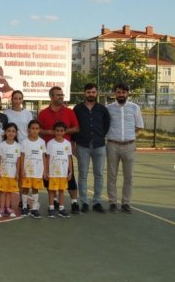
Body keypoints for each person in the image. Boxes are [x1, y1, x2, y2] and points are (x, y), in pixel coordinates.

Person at [37, 86, 80, 212]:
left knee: (69, 177)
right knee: (50, 177)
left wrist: (61, 132)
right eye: (58, 95)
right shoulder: (43, 113)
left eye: (62, 94)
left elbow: (76, 128)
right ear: (51, 97)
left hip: (64, 151)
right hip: (49, 151)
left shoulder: (69, 112)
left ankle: (74, 202)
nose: (61, 97)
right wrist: (49, 131)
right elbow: (38, 129)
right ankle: (54, 201)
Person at [106, 82, 144, 214]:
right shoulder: (109, 108)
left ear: (128, 93)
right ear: (115, 93)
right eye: (118, 92)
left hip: (129, 146)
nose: (121, 94)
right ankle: (112, 202)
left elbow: (139, 126)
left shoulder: (135, 108)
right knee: (112, 176)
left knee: (129, 176)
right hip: (112, 145)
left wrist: (128, 135)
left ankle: (126, 202)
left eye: (123, 92)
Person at [73, 83, 110, 213]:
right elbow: (74, 126)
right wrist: (74, 144)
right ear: (84, 93)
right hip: (83, 145)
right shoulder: (78, 109)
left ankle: (97, 202)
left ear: (97, 93)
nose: (91, 94)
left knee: (99, 174)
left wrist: (99, 136)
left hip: (99, 145)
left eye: (93, 92)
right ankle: (84, 202)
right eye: (88, 92)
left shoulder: (102, 109)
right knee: (83, 175)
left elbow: (106, 126)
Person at [20, 120, 47, 218]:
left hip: (38, 171)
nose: (34, 131)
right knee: (25, 189)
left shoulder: (42, 142)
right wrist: (22, 169)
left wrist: (45, 171)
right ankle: (24, 207)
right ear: (28, 130)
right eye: (32, 128)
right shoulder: (24, 142)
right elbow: (22, 156)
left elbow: (44, 157)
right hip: (27, 171)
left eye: (37, 129)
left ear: (39, 130)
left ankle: (34, 208)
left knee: (35, 189)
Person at [45, 122, 72, 218]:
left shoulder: (67, 144)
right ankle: (51, 208)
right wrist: (46, 171)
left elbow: (69, 158)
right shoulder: (50, 143)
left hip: (63, 173)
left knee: (61, 191)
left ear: (64, 132)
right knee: (52, 191)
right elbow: (47, 158)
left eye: (61, 131)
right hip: (53, 173)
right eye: (57, 131)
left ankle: (61, 208)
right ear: (53, 131)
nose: (59, 133)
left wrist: (70, 171)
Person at [0, 123, 21, 218]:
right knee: (2, 191)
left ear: (16, 134)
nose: (11, 133)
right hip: (3, 173)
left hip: (12, 173)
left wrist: (17, 173)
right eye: (9, 131)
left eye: (13, 131)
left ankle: (7, 208)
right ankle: (1, 208)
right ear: (5, 132)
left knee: (9, 191)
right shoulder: (1, 145)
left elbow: (18, 161)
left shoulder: (18, 146)